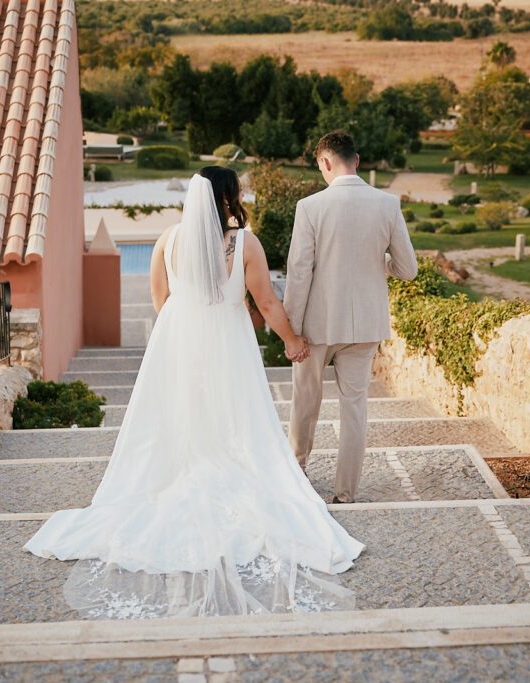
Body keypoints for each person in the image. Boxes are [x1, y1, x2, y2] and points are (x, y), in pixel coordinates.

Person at [23, 166, 363, 619]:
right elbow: (265, 303)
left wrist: (185, 334)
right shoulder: (245, 243)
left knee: (179, 417)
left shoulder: (167, 240)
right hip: (230, 344)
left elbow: (160, 299)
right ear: (227, 198)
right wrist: (291, 340)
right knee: (234, 415)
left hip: (177, 345)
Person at [285, 131, 418, 505]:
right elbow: (408, 269)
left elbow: (299, 272)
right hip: (366, 325)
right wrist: (380, 263)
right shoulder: (388, 204)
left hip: (316, 325)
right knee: (355, 407)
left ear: (325, 163)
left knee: (305, 402)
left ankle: (296, 476)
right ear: (356, 160)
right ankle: (346, 493)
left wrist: (291, 331)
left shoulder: (310, 207)